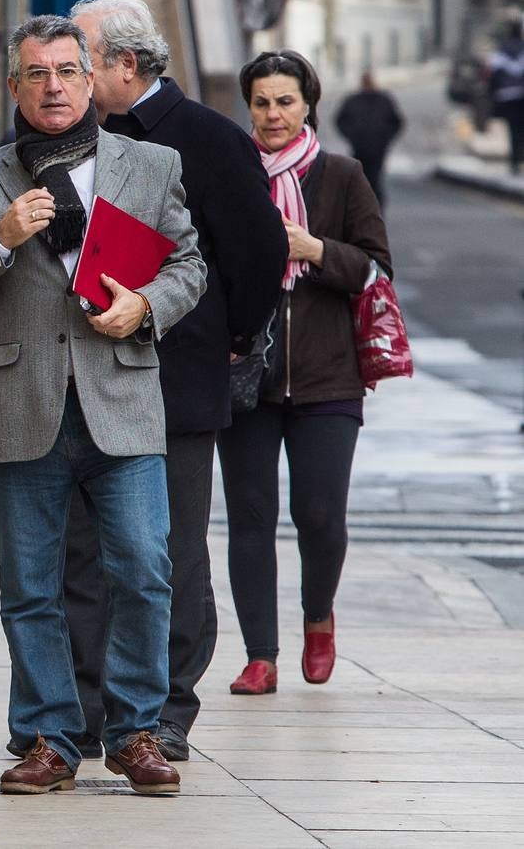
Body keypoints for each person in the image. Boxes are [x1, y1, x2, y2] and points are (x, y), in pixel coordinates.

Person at [0, 15, 206, 796]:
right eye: (35, 74)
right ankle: (48, 737)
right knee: (30, 586)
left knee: (145, 569)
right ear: (12, 88)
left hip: (121, 395)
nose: (52, 86)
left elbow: (188, 266)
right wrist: (0, 240)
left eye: (65, 71)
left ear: (91, 80)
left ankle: (135, 731)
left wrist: (144, 306)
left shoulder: (149, 165)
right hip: (21, 403)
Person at [52, 0, 286, 763]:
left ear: (124, 64)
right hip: (86, 375)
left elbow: (255, 254)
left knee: (168, 548)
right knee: (82, 548)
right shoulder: (77, 137)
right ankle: (89, 708)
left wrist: (235, 339)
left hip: (178, 375)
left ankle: (166, 709)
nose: (71, 74)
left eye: (82, 57)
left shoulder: (209, 140)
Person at [220, 49, 392, 697]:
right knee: (249, 515)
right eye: (260, 102)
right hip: (247, 378)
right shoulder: (231, 173)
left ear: (307, 105)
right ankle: (259, 655)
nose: (271, 114)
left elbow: (377, 269)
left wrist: (314, 249)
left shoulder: (341, 176)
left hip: (327, 377)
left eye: (283, 101)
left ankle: (317, 616)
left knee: (319, 514)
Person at [334, 71, 405, 206]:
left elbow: (396, 122)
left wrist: (384, 138)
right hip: (365, 147)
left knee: (371, 179)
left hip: (373, 148)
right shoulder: (357, 100)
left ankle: (373, 208)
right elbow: (340, 121)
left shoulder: (380, 100)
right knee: (366, 180)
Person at [486, 19, 524, 176]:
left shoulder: (501, 50)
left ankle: (515, 161)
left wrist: (493, 94)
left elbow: (492, 75)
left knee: (513, 130)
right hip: (521, 95)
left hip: (506, 96)